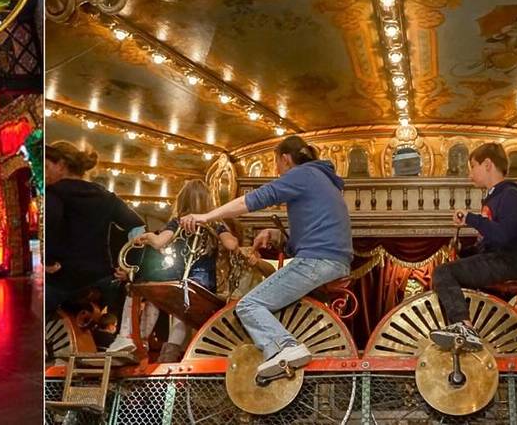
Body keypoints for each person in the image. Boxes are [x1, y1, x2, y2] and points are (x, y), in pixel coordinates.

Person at [181, 135, 352, 381]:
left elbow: (253, 200)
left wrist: (206, 216)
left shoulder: (302, 174)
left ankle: (285, 348)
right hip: (333, 259)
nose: (277, 170)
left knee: (249, 305)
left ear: (285, 159)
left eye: (276, 163)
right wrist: (276, 234)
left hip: (316, 260)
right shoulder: (323, 179)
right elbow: (314, 231)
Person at [105, 180, 243, 363]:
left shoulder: (179, 222)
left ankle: (137, 340)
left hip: (180, 277)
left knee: (155, 294)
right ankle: (165, 353)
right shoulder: (214, 222)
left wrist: (148, 236)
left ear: (182, 200)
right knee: (178, 311)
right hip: (200, 281)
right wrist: (227, 235)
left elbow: (159, 242)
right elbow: (231, 244)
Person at [429, 143, 517, 351]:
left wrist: (471, 218)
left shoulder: (511, 195)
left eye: (473, 167)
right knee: (448, 271)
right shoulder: (495, 196)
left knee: (443, 273)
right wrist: (464, 251)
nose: (470, 175)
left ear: (487, 164)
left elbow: (503, 236)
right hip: (500, 259)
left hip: (509, 262)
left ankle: (464, 328)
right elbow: (490, 241)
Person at [44, 141, 144, 324]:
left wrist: (48, 261)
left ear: (61, 165)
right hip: (102, 283)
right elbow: (137, 226)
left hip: (64, 281)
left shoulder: (54, 193)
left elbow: (50, 223)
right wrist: (130, 265)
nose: (45, 174)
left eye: (47, 167)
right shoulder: (106, 196)